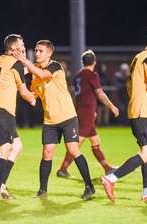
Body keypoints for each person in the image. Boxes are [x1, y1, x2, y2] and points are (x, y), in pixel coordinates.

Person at [14, 40, 95, 200]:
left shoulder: (55, 66)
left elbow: (43, 74)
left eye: (40, 51)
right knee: (47, 153)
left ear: (49, 53)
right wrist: (19, 85)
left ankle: (89, 187)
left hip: (67, 117)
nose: (37, 53)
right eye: (36, 50)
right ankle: (42, 190)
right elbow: (32, 99)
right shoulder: (35, 77)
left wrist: (24, 61)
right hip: (50, 121)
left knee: (73, 150)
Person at [100, 30, 147, 202]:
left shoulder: (137, 58)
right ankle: (111, 179)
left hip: (138, 110)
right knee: (146, 153)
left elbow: (129, 86)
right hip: (141, 112)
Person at [56, 50, 119, 178]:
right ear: (94, 62)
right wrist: (112, 106)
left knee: (95, 142)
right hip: (86, 113)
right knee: (76, 144)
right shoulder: (92, 75)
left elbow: (77, 95)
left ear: (82, 62)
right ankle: (62, 169)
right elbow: (100, 93)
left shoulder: (78, 75)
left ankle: (107, 168)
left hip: (83, 111)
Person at [0, 34, 36, 200]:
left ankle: (0, 184)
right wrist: (35, 96)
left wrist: (35, 68)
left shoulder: (0, 60)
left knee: (17, 147)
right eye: (21, 46)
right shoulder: (15, 63)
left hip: (2, 110)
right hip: (2, 110)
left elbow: (20, 72)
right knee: (5, 148)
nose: (23, 48)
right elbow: (24, 93)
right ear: (13, 49)